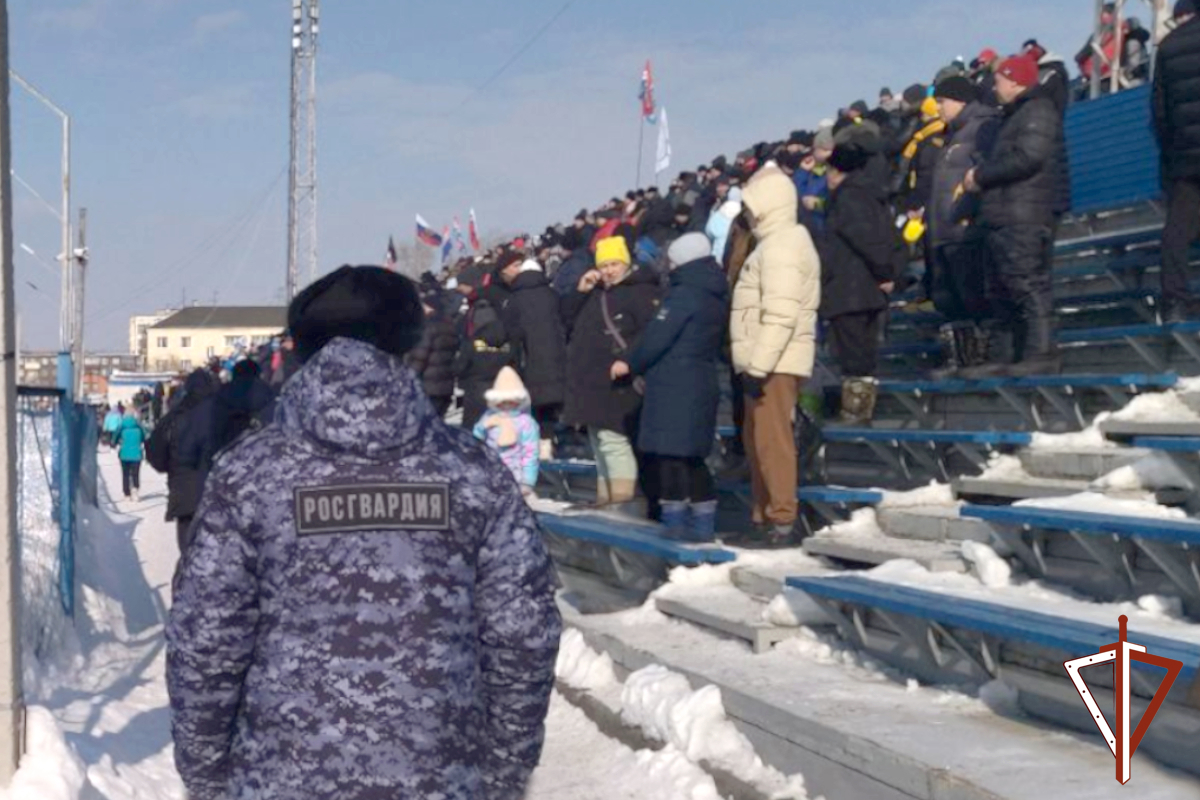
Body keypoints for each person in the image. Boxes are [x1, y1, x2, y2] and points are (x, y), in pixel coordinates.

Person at [166, 265, 561, 800]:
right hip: (441, 778)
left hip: (279, 778)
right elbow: (523, 632)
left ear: (303, 347)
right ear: (409, 340)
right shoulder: (472, 470)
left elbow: (207, 637)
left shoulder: (249, 473)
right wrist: (503, 772)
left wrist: (207, 776)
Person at [616, 234, 729, 542]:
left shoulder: (683, 295)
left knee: (670, 456)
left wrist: (631, 363)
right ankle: (703, 524)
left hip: (675, 384)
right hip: (700, 378)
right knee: (693, 457)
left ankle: (675, 525)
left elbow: (657, 336)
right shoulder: (714, 291)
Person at [730, 166, 821, 545]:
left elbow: (780, 315)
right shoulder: (773, 244)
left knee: (772, 442)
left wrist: (758, 367)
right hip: (764, 362)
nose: (747, 213)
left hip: (774, 365)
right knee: (757, 442)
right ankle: (765, 518)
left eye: (752, 205)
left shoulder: (783, 246)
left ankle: (782, 519)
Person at [964, 54, 1066, 377]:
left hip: (1024, 213)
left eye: (999, 81)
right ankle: (1006, 355)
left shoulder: (1038, 110)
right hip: (1004, 214)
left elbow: (1029, 157)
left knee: (1026, 283)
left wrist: (981, 175)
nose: (994, 87)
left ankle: (1042, 353)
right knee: (1001, 288)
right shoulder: (1014, 115)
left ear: (1015, 81)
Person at [561, 236, 659, 507]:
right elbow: (565, 320)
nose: (609, 270)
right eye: (604, 265)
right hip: (592, 382)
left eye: (614, 264)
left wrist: (628, 359)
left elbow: (650, 333)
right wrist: (580, 292)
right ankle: (606, 501)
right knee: (599, 442)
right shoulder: (595, 294)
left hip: (620, 383)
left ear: (626, 263)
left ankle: (622, 503)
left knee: (613, 441)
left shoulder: (640, 291)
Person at [927, 76, 1002, 374]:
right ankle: (963, 360)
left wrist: (968, 212)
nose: (938, 108)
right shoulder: (951, 136)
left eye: (942, 102)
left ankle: (985, 358)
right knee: (950, 300)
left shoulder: (982, 128)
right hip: (944, 231)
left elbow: (983, 176)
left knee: (975, 297)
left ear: (959, 100)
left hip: (965, 231)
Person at [821, 143, 899, 423]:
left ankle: (857, 413)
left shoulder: (848, 198)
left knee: (854, 356)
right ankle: (859, 410)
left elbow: (866, 239)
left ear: (836, 170)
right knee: (862, 354)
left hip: (850, 289)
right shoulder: (870, 195)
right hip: (864, 289)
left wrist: (885, 272)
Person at [1154, 0, 1200, 323]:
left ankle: (1174, 302)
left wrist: (1172, 151)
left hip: (1184, 156)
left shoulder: (1168, 46)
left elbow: (1159, 112)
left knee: (1177, 229)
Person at [497, 256, 568, 458]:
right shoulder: (553, 295)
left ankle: (535, 446)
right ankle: (548, 441)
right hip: (556, 359)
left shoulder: (514, 299)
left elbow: (508, 333)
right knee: (550, 404)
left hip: (528, 360)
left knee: (533, 404)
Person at [146, 369, 221, 554]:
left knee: (189, 552)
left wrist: (172, 467)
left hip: (184, 495)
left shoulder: (175, 415)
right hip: (219, 493)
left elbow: (155, 453)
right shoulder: (223, 414)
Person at [453, 276, 515, 430]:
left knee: (474, 429)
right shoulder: (508, 342)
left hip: (476, 391)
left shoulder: (472, 344)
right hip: (502, 391)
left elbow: (460, 367)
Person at [473, 366, 540, 497]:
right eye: (503, 402)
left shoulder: (526, 423)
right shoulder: (488, 417)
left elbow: (530, 453)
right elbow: (476, 443)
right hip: (490, 474)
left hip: (515, 476)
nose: (506, 405)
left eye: (511, 402)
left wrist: (528, 481)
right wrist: (481, 428)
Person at [404, 289, 460, 418]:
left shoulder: (427, 327)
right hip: (445, 385)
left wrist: (407, 379)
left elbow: (419, 357)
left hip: (427, 386)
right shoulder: (450, 325)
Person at [115, 410, 146, 503]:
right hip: (137, 454)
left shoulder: (121, 426)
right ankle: (135, 490)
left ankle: (127, 493)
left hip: (124, 454)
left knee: (125, 474)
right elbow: (144, 437)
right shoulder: (139, 426)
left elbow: (115, 437)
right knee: (135, 473)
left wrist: (114, 443)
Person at [706, 187, 743, 266]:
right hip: (733, 254)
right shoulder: (742, 213)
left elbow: (709, 230)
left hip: (716, 254)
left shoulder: (720, 211)